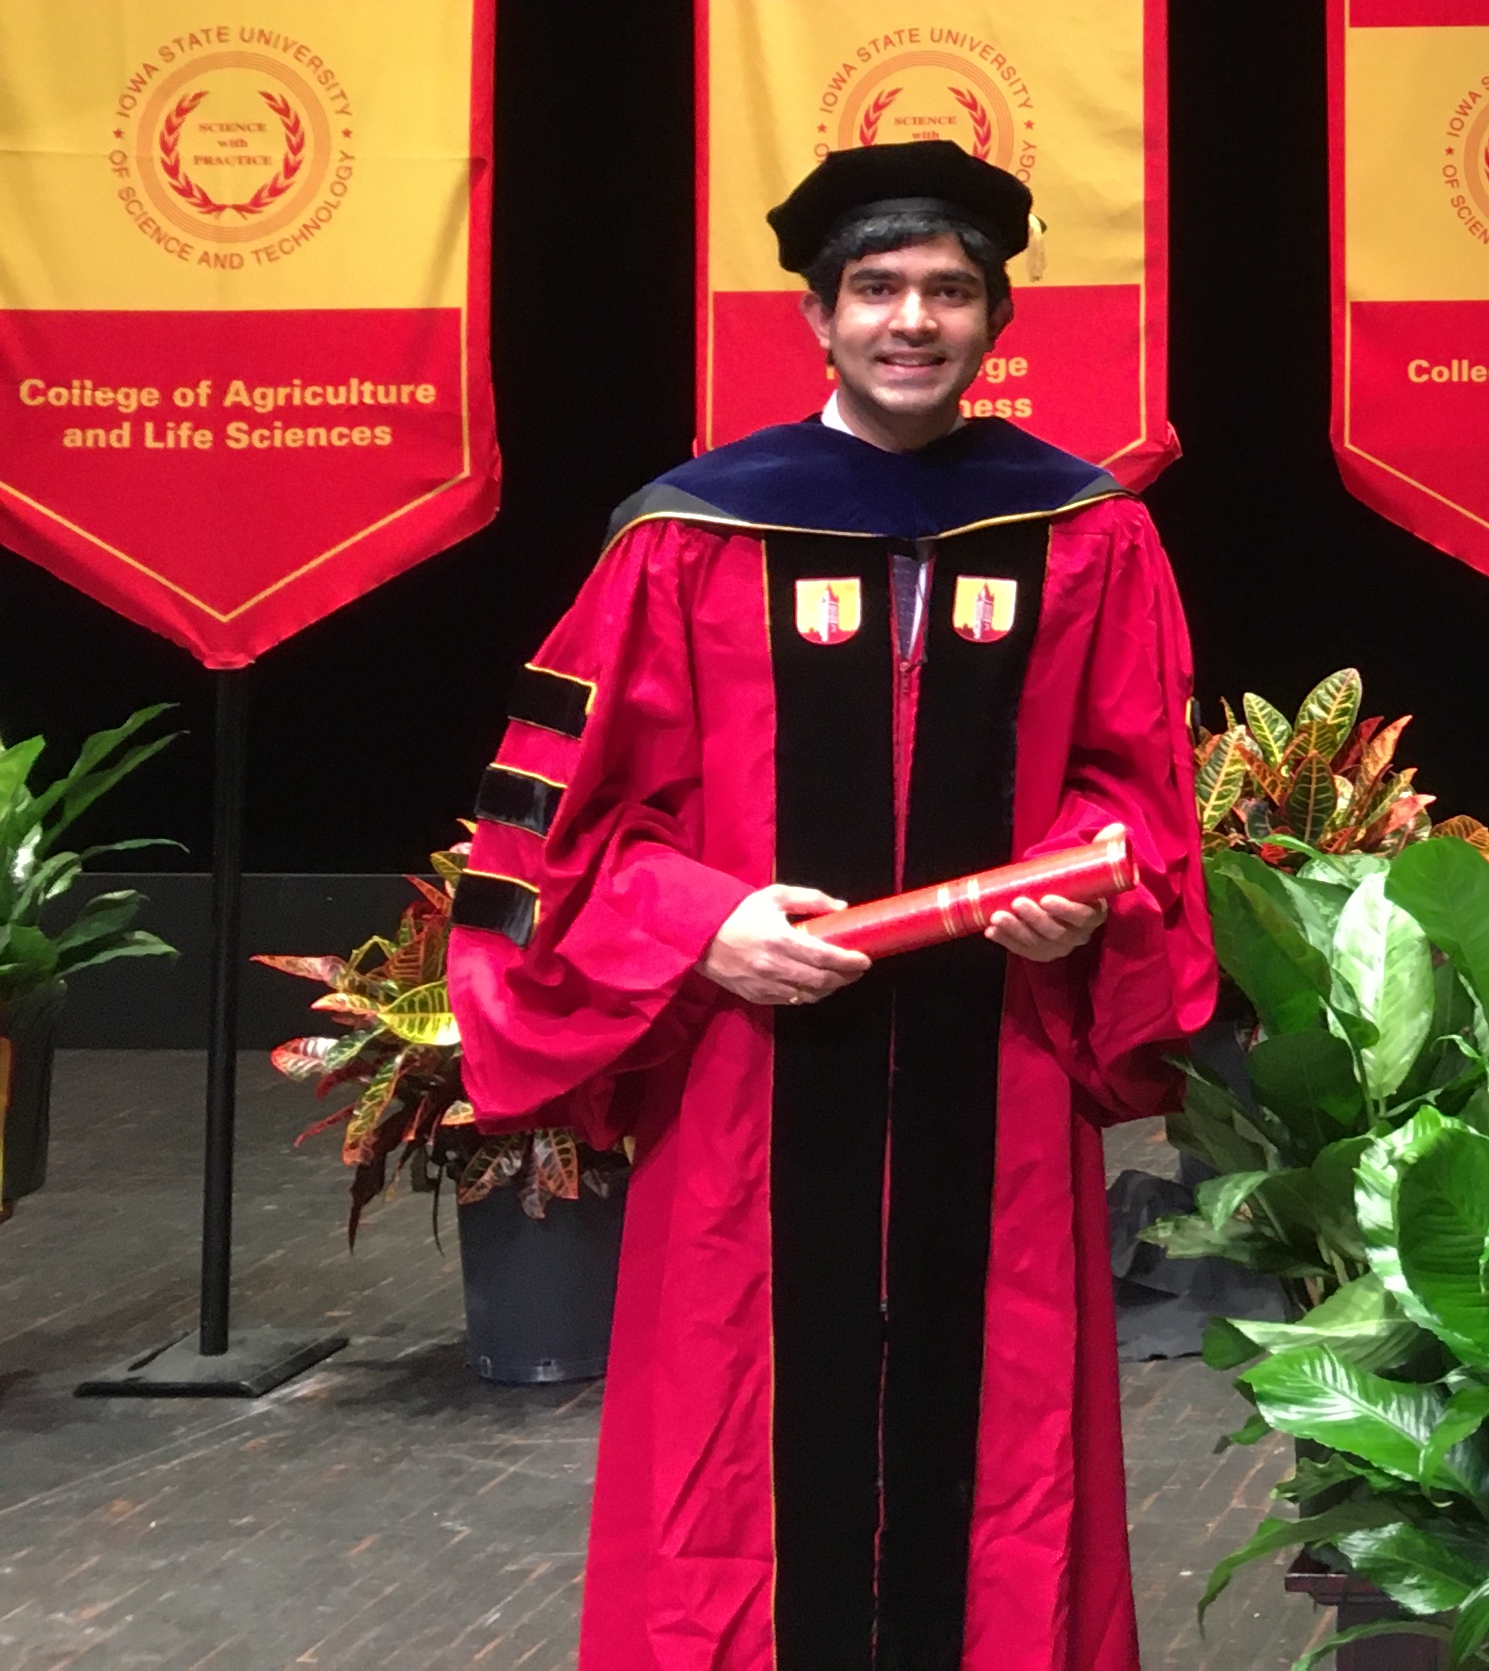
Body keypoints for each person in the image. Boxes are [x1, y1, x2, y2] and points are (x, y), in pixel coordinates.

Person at [447, 143, 1213, 1671]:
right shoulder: (689, 535)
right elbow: (573, 827)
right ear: (817, 315)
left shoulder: (1083, 530)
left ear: (997, 322)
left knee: (995, 1433)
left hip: (991, 1063)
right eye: (878, 289)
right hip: (752, 1072)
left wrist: (1085, 890)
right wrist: (702, 923)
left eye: (948, 291)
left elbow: (1140, 792)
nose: (911, 321)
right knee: (736, 1430)